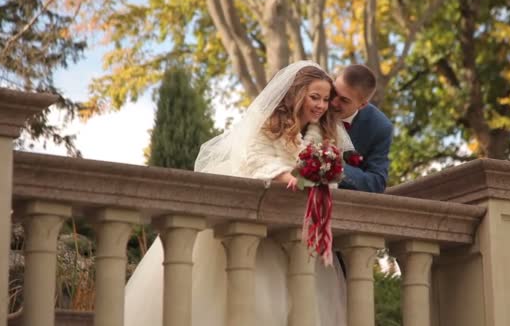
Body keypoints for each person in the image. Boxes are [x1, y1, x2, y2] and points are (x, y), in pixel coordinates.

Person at [124, 61, 351, 326]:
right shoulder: (270, 122)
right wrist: (287, 176)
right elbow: (254, 156)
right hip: (257, 219)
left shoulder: (320, 136)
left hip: (295, 227)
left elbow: (331, 175)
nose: (321, 105)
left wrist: (321, 178)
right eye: (315, 97)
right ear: (297, 93)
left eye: (325, 99)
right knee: (252, 299)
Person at [331, 64, 393, 193]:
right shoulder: (315, 98)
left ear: (362, 104)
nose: (333, 102)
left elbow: (376, 183)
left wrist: (335, 167)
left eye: (344, 100)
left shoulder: (380, 127)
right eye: (334, 92)